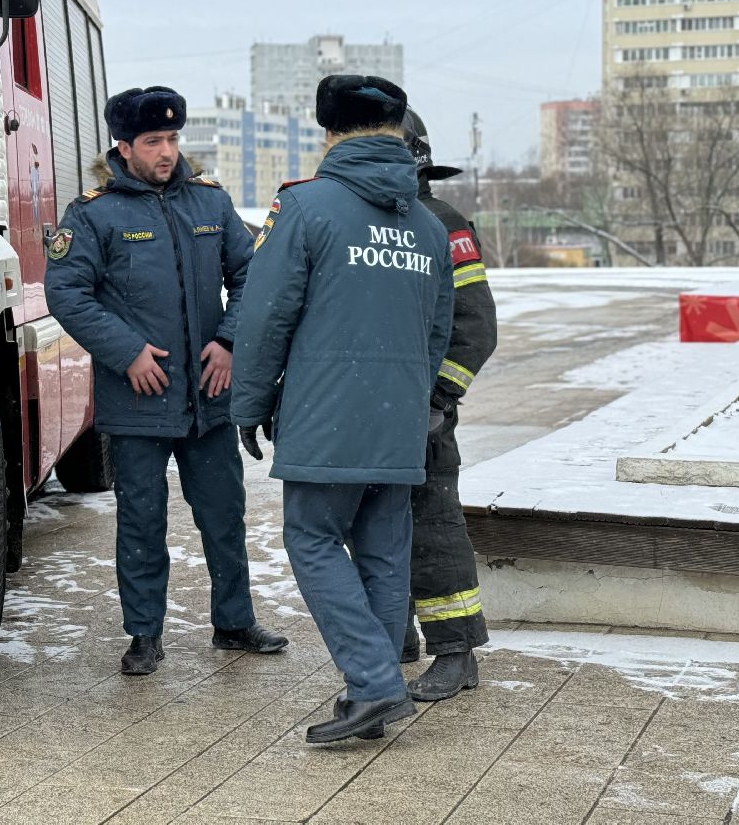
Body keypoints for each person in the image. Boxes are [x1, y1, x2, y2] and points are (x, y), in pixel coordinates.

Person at [232, 75, 453, 743]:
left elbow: (266, 315)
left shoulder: (306, 207)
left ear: (328, 133)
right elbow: (437, 330)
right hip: (398, 418)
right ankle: (372, 692)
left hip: (326, 415)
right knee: (383, 552)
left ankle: (377, 685)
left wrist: (249, 401)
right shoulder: (427, 224)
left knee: (314, 538)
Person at [45, 86, 288, 675]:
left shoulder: (209, 203)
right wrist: (127, 352)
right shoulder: (93, 213)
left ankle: (233, 622)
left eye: (173, 139)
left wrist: (229, 340)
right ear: (123, 146)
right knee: (142, 520)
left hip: (207, 399)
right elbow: (67, 294)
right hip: (139, 400)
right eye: (153, 141)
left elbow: (253, 272)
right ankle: (144, 636)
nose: (166, 152)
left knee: (223, 516)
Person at [398, 108, 498, 701]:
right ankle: (396, 634)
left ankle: (456, 651)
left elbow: (476, 325)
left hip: (425, 413)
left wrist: (439, 397)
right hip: (375, 411)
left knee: (433, 525)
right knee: (377, 526)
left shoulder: (444, 223)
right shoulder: (364, 220)